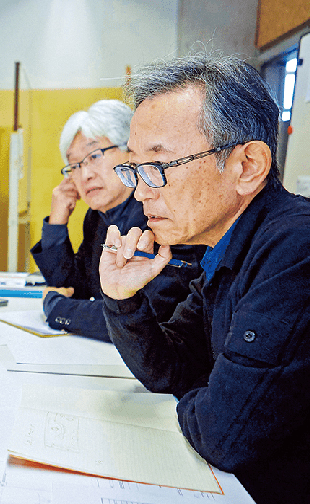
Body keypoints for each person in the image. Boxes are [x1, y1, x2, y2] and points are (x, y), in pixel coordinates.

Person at [99, 53, 310, 504]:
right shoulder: (227, 250)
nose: (139, 189)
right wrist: (121, 297)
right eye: (135, 168)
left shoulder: (297, 248)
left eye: (158, 167)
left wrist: (209, 396)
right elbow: (172, 368)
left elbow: (226, 432)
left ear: (247, 166)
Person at [30, 100, 203, 342]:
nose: (85, 174)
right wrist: (57, 223)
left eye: (94, 156)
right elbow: (71, 286)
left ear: (131, 153)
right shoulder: (98, 216)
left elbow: (145, 315)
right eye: (74, 166)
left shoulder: (161, 213)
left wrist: (58, 310)